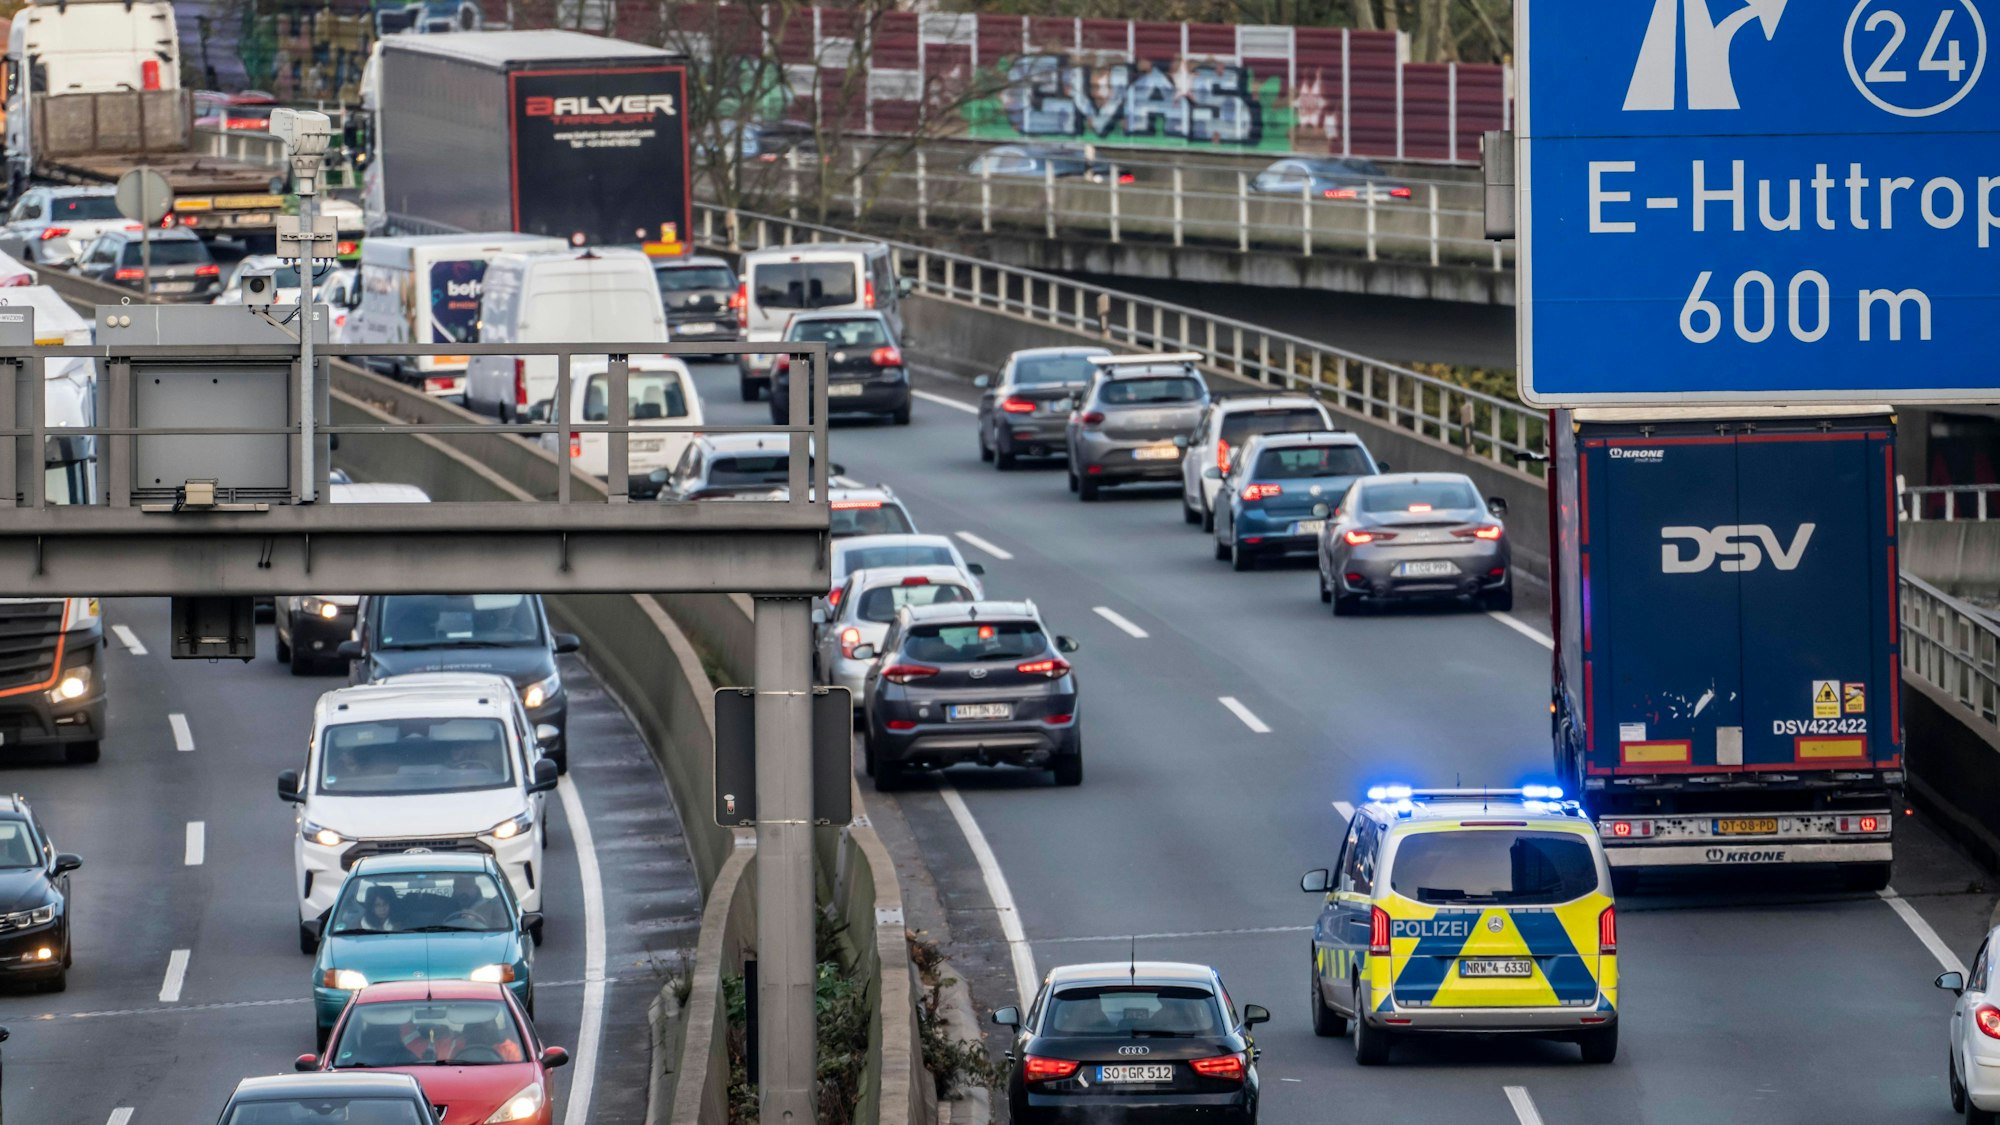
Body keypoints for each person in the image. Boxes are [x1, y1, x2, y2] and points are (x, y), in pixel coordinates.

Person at [458, 1012, 525, 1063]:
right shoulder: (455, 1045)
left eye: (486, 1024)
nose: (482, 1031)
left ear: (495, 1026)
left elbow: (519, 1071)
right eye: (478, 1026)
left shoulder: (509, 1050)